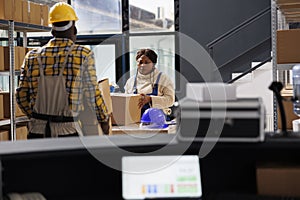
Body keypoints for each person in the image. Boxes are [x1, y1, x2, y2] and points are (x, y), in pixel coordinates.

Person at [16, 2, 110, 138]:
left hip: (37, 133)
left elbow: (21, 95)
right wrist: (103, 119)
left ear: (53, 31)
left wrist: (37, 117)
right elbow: (92, 94)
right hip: (69, 132)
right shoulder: (82, 54)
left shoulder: (32, 56)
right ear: (75, 29)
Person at [124, 48, 175, 118]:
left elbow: (170, 100)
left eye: (147, 62)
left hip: (159, 121)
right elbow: (126, 102)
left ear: (153, 64)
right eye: (140, 62)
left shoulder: (163, 79)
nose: (143, 65)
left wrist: (150, 99)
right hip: (135, 120)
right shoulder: (131, 81)